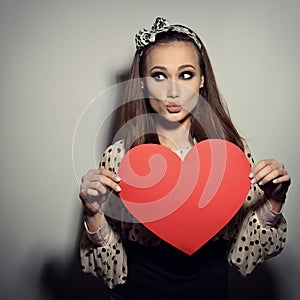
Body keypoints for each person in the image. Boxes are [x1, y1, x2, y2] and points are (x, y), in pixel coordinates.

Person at [79, 17, 291, 300]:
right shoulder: (120, 157)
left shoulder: (229, 155)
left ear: (203, 80)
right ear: (142, 83)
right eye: (159, 75)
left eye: (186, 74)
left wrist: (273, 202)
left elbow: (243, 258)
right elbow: (111, 272)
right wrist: (93, 214)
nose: (173, 91)